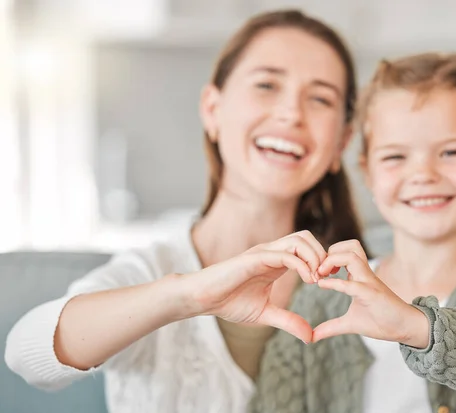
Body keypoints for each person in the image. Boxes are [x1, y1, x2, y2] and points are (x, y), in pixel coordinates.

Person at [5, 9, 367, 413]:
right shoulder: (151, 268)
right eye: (267, 85)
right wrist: (191, 295)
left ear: (341, 142)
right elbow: (27, 351)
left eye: (320, 98)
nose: (291, 114)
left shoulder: (361, 285)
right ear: (212, 109)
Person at [252, 53, 456, 413]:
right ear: (368, 173)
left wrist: (417, 327)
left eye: (451, 152)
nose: (423, 174)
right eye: (395, 157)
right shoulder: (323, 298)